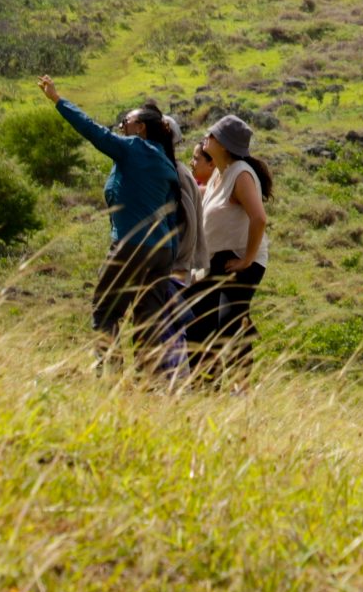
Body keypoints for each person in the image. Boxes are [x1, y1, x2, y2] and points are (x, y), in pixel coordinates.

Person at [37, 74, 185, 364]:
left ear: (140, 128)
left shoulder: (133, 148)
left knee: (106, 311)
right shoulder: (165, 160)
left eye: (125, 123)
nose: (121, 128)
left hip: (131, 245)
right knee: (148, 321)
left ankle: (109, 375)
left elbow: (94, 132)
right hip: (162, 253)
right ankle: (148, 384)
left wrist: (58, 101)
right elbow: (173, 216)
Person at [188, 113, 270, 383]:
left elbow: (259, 218)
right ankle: (206, 385)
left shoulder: (241, 174)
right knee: (198, 320)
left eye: (211, 135)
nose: (206, 138)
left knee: (229, 323)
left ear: (222, 144)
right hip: (217, 261)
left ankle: (240, 387)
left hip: (239, 261)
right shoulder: (218, 176)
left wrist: (246, 259)